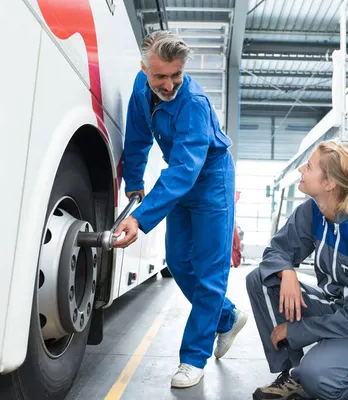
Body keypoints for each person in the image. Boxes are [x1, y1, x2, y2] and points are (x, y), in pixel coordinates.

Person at [113, 30, 248, 388]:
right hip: (179, 178)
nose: (170, 84)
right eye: (161, 76)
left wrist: (139, 219)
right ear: (144, 69)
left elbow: (187, 170)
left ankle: (193, 357)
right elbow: (138, 137)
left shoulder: (194, 104)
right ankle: (227, 316)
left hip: (210, 181)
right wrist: (134, 182)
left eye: (177, 75)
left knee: (209, 271)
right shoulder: (142, 91)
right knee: (177, 261)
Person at [246, 140, 348, 400]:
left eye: (310, 166)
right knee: (262, 278)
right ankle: (290, 374)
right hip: (338, 307)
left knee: (318, 378)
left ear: (329, 184)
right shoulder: (313, 212)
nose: (302, 169)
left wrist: (296, 331)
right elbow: (276, 252)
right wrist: (286, 272)